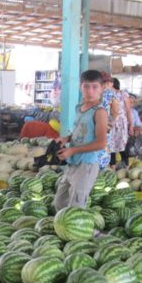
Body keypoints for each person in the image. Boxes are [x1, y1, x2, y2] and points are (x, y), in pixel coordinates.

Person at [53, 70, 108, 210]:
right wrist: (66, 138)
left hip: (86, 165)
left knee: (76, 208)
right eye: (86, 86)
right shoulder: (79, 108)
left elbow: (101, 143)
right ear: (80, 87)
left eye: (95, 87)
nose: (90, 91)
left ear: (102, 88)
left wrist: (73, 150)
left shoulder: (100, 112)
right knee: (59, 202)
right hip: (73, 162)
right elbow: (79, 130)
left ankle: (76, 231)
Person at [108, 78, 133, 169]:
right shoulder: (108, 95)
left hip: (121, 124)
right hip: (110, 123)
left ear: (112, 84)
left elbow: (128, 111)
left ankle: (126, 166)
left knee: (122, 144)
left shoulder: (123, 94)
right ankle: (112, 167)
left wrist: (131, 125)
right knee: (111, 145)